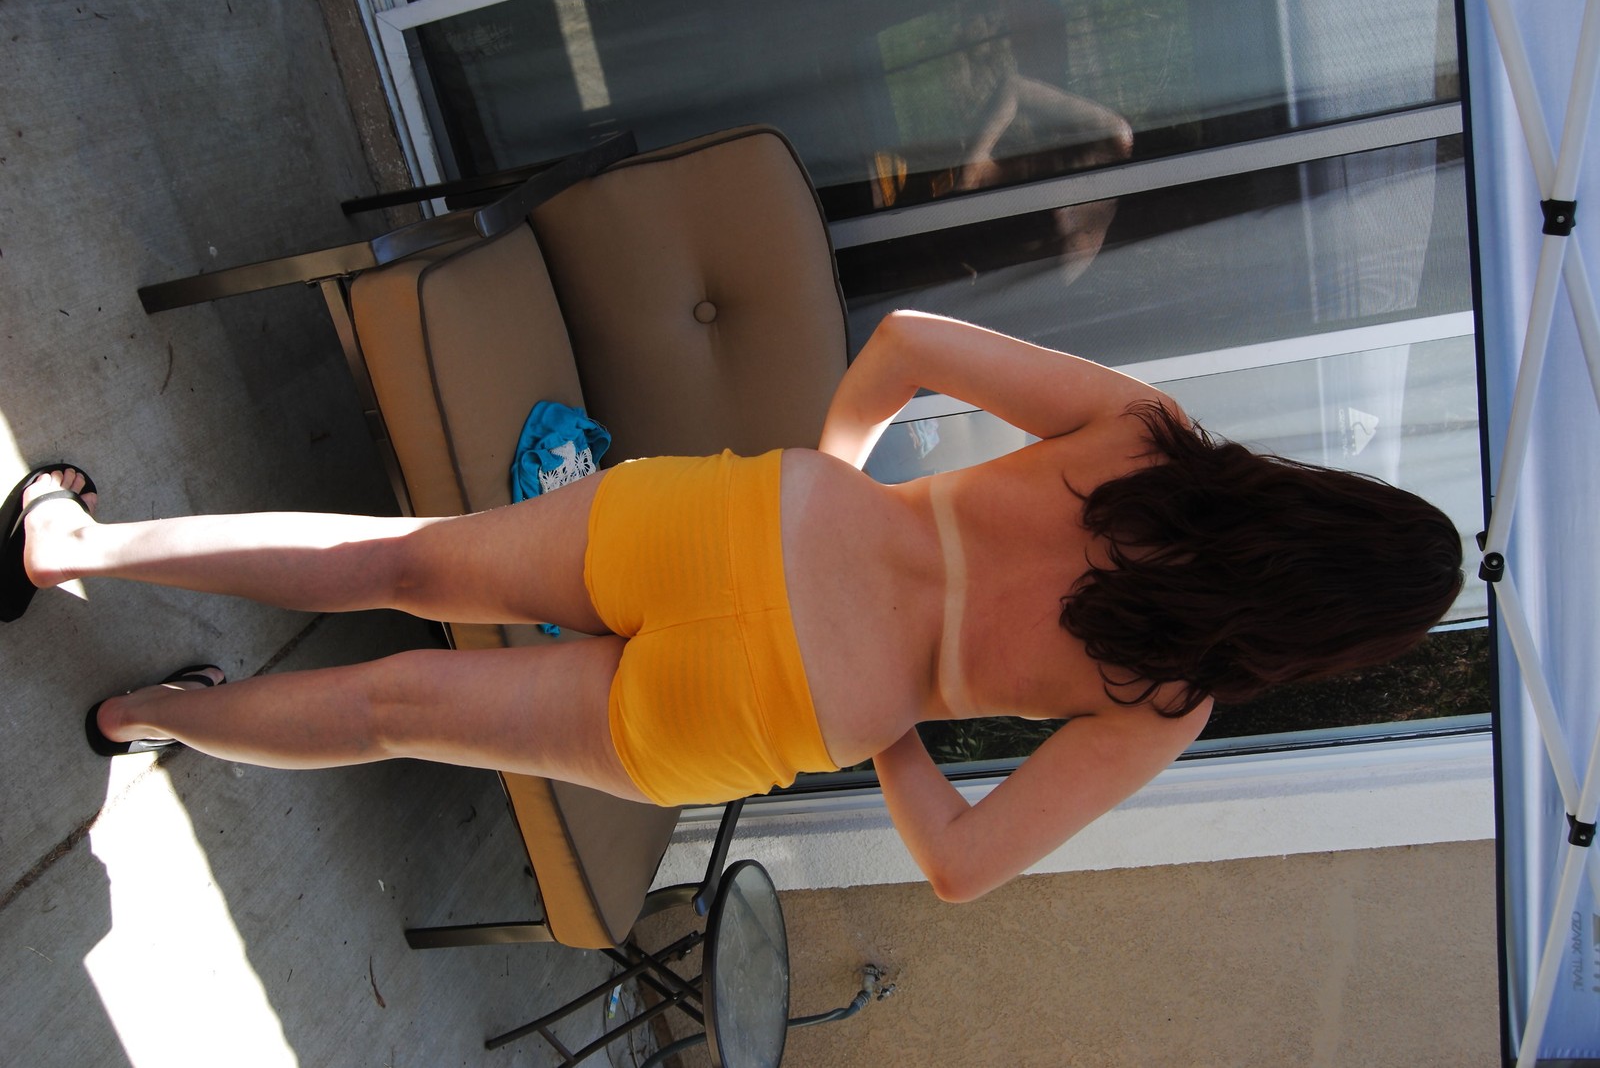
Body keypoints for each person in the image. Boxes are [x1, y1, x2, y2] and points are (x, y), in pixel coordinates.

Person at [5, 310, 1463, 903]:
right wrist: (888, 716)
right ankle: (146, 715)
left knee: (401, 558)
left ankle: (74, 544)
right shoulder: (1169, 703)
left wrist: (834, 486)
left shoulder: (1149, 439)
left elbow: (902, 346)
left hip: (743, 528)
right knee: (398, 711)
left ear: (1318, 495)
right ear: (1328, 641)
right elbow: (961, 863)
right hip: (768, 707)